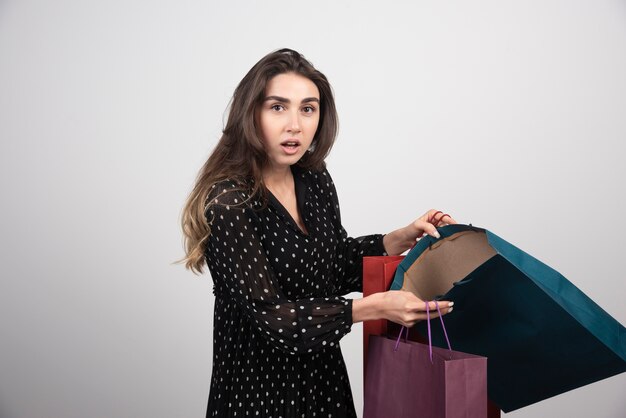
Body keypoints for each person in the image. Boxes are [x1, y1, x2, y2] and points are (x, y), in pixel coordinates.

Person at [177, 48, 456, 418]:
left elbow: (332, 267)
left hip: (323, 387)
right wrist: (371, 308)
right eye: (278, 107)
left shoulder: (313, 177)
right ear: (251, 114)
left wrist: (398, 238)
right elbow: (275, 320)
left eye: (307, 108)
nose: (295, 124)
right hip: (258, 395)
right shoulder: (228, 204)